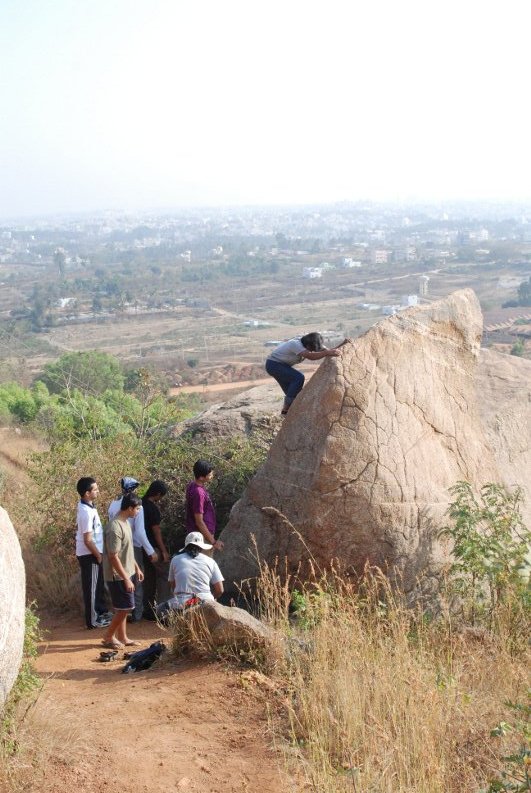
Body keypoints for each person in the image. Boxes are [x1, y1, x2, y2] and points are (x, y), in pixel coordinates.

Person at [108, 476, 157, 622]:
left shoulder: (113, 504)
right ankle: (137, 614)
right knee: (137, 581)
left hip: (116, 545)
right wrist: (151, 551)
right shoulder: (136, 505)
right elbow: (140, 532)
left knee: (120, 579)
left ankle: (123, 613)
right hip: (132, 546)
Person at [101, 492, 144, 649]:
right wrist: (125, 577)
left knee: (123, 607)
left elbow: (127, 550)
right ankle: (108, 637)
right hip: (117, 576)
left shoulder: (125, 523)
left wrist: (136, 568)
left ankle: (123, 637)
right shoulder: (114, 527)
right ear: (130, 508)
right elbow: (113, 556)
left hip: (126, 572)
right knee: (126, 607)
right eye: (137, 509)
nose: (138, 512)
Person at [265, 332, 344, 415]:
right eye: (312, 349)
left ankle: (288, 413)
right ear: (308, 346)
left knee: (294, 393)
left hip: (282, 366)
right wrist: (326, 353)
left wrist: (341, 345)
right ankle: (286, 408)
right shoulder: (295, 344)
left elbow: (327, 351)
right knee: (298, 378)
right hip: (274, 365)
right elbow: (311, 356)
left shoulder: (309, 342)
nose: (313, 351)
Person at [156, 531, 224, 619]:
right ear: (201, 547)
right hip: (205, 603)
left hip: (182, 603)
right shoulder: (211, 561)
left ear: (186, 546)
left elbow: (173, 585)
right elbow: (220, 590)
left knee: (160, 609)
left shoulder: (175, 559)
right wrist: (212, 599)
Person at [75, 477, 111, 629]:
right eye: (95, 489)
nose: (98, 491)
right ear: (87, 493)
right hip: (89, 554)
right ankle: (92, 621)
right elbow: (88, 539)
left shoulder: (90, 507)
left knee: (97, 586)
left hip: (94, 553)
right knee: (91, 588)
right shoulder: (85, 512)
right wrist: (97, 555)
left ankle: (100, 613)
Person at [141, 480, 170, 621]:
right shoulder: (152, 508)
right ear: (158, 494)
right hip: (152, 547)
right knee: (165, 575)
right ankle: (164, 608)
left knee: (149, 578)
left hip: (140, 546)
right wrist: (163, 550)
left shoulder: (139, 504)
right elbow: (156, 530)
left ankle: (148, 609)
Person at [185, 460, 223, 551]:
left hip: (198, 535)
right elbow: (199, 521)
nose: (212, 476)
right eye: (209, 475)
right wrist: (213, 542)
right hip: (202, 538)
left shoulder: (192, 485)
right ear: (201, 477)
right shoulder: (198, 493)